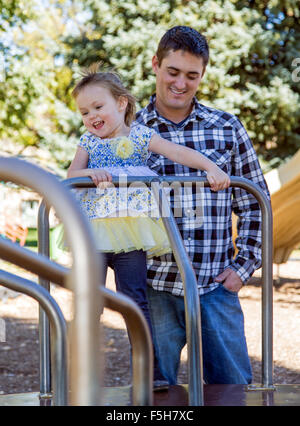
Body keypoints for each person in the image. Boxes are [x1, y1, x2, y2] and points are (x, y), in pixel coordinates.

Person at [67, 63, 230, 390]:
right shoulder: (88, 141)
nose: (91, 116)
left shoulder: (141, 135)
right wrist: (89, 175)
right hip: (94, 235)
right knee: (90, 300)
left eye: (98, 107)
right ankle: (80, 370)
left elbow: (178, 152)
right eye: (85, 112)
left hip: (130, 235)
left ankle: (150, 370)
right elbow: (71, 175)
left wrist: (210, 166)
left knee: (134, 299)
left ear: (121, 104)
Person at [135, 26, 270, 385]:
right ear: (155, 65)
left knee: (232, 389)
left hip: (215, 285)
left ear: (202, 75)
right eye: (173, 72)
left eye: (192, 75)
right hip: (154, 286)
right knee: (156, 392)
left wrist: (242, 268)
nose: (181, 83)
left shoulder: (227, 128)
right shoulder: (129, 131)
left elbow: (256, 203)